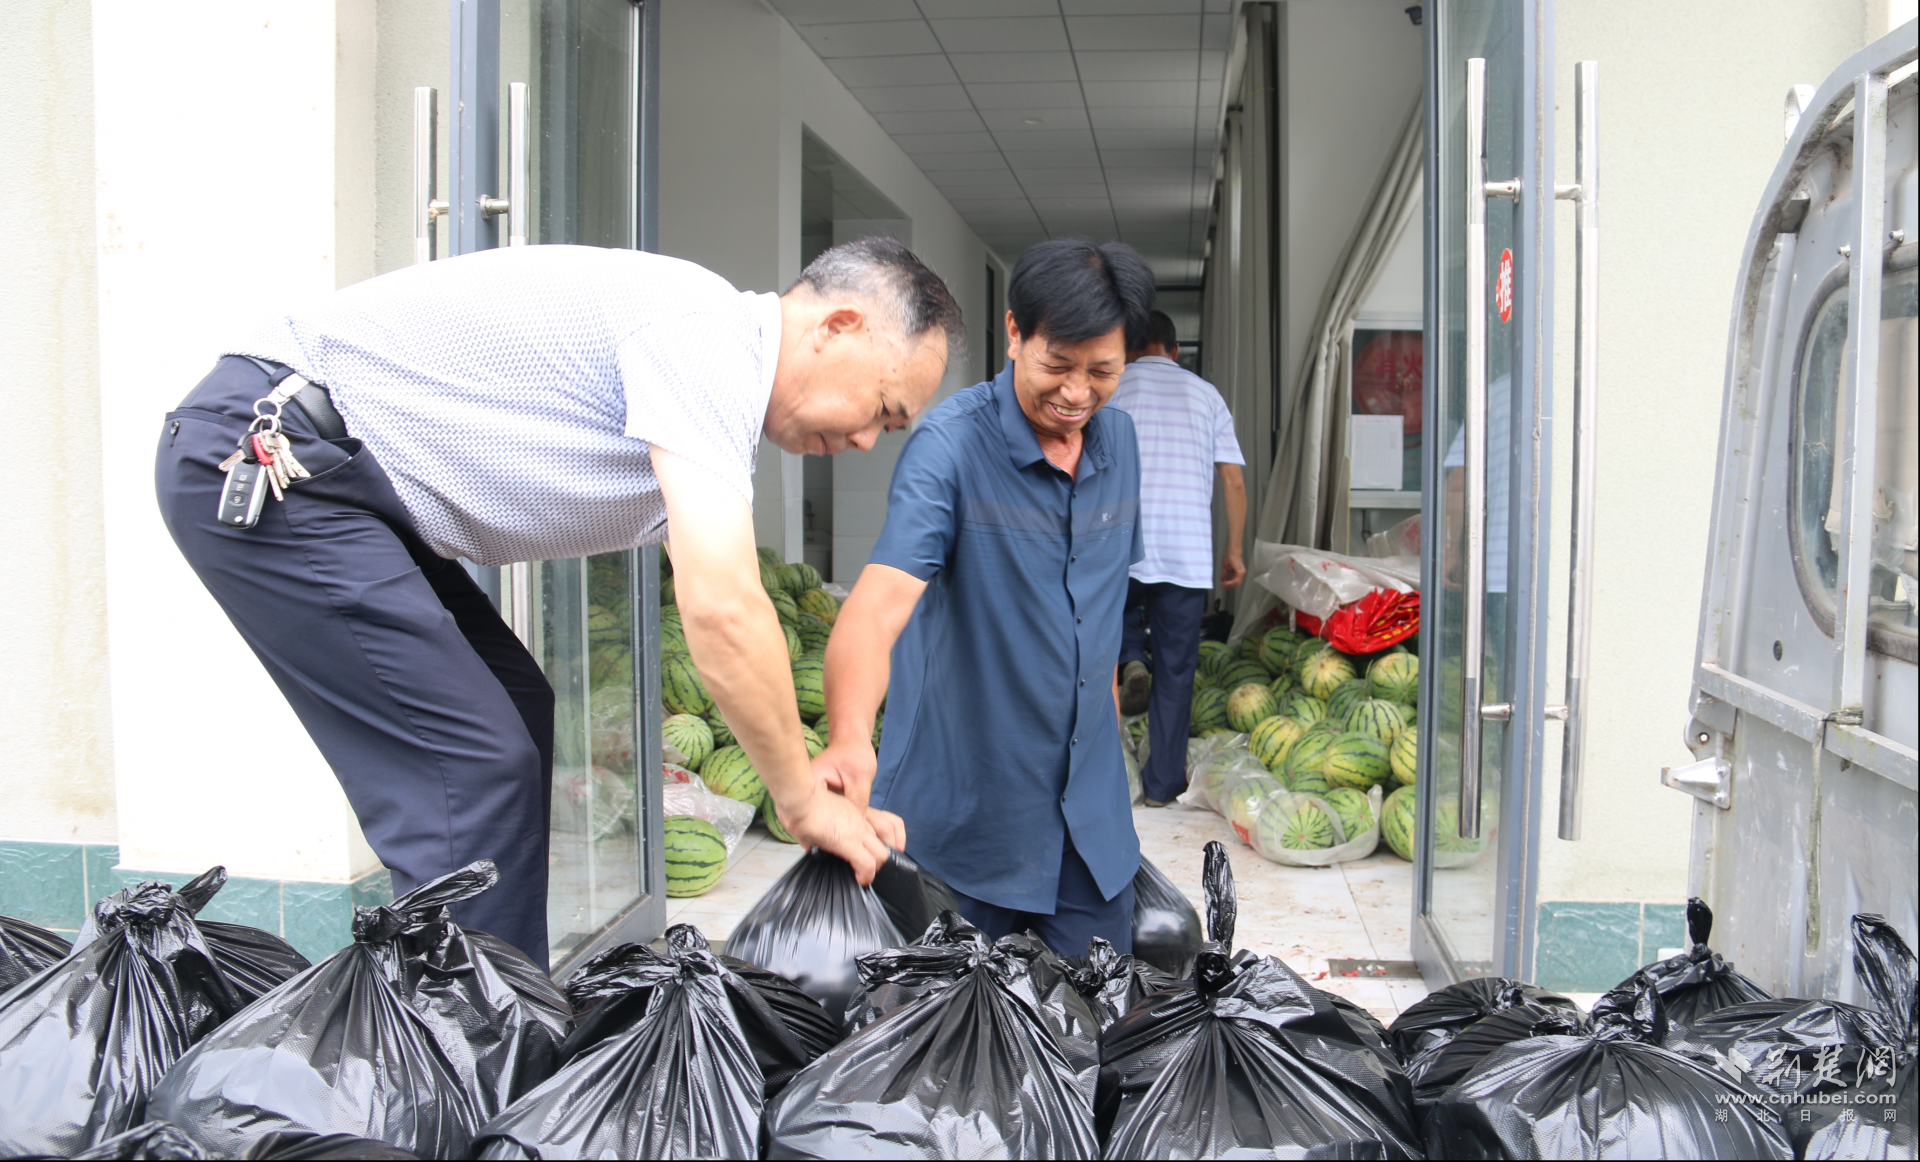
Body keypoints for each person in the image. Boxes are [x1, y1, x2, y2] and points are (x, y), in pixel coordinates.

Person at [155, 238, 962, 967]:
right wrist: (798, 798)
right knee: (472, 763)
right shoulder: (709, 335)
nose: (865, 441)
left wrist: (810, 763)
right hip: (274, 459)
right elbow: (723, 606)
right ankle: (468, 1050)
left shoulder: (710, 369)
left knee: (515, 709)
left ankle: (492, 1003)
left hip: (347, 486)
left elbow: (724, 600)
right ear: (840, 326)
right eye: (883, 412)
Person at [814, 239, 1156, 956]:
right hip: (962, 826)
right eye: (1056, 365)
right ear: (1013, 334)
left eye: (1103, 371)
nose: (1076, 392)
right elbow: (876, 609)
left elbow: (1104, 608)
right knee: (947, 1050)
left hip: (1088, 832)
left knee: (1092, 1038)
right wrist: (848, 737)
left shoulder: (1120, 444)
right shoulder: (950, 446)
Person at [1107, 310, 1247, 806]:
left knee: (1099, 657)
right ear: (1175, 350)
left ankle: (1127, 664)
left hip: (1121, 546)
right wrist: (1233, 550)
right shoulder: (1206, 395)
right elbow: (1232, 478)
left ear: (1128, 348)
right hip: (1186, 555)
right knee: (1177, 671)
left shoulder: (1113, 387)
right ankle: (1163, 784)